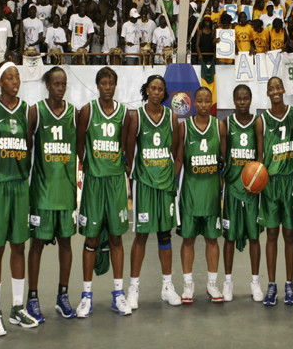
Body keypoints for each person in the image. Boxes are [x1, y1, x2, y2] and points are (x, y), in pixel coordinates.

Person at [0, 61, 39, 336]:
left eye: (17, 76)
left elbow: (29, 147)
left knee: (19, 246)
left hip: (19, 187)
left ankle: (18, 308)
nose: (15, 80)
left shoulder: (27, 111)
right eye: (9, 76)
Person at [76, 67, 132, 317]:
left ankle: (118, 294)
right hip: (94, 182)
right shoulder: (88, 111)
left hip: (116, 182)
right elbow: (80, 144)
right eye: (103, 83)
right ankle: (86, 295)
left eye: (111, 83)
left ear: (115, 86)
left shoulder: (124, 113)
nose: (107, 87)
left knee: (117, 238)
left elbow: (126, 146)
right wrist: (90, 165)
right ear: (97, 85)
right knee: (91, 239)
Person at [26, 67, 78, 323]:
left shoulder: (74, 114)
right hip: (42, 192)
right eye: (56, 83)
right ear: (48, 85)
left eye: (64, 83)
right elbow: (26, 149)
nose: (61, 87)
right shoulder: (35, 112)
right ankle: (32, 298)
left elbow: (81, 149)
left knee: (67, 244)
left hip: (66, 192)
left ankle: (63, 296)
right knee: (36, 245)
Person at [126, 75, 182, 308]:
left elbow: (177, 151)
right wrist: (135, 175)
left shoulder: (173, 117)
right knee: (141, 234)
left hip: (165, 183)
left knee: (165, 235)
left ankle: (167, 286)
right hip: (145, 184)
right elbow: (128, 150)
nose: (157, 92)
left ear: (164, 92)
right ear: (146, 90)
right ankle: (133, 287)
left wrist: (172, 173)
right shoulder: (136, 117)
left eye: (161, 89)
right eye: (153, 88)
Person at [176, 87, 226, 303]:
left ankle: (212, 284)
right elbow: (178, 158)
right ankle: (188, 285)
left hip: (212, 195)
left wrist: (223, 183)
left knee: (212, 240)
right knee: (187, 239)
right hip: (189, 194)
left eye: (208, 101)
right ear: (194, 103)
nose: (204, 104)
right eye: (200, 101)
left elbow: (224, 159)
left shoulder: (219, 126)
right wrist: (172, 183)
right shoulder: (184, 127)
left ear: (211, 103)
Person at [255, 76, 293, 306]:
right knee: (271, 234)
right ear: (268, 93)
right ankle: (271, 285)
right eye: (271, 88)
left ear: (284, 89)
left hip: (290, 181)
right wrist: (256, 181)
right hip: (270, 184)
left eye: (278, 87)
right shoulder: (261, 121)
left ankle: (289, 285)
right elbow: (260, 157)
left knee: (289, 235)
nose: (275, 91)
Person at [222, 85, 263, 302]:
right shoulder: (226, 124)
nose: (242, 102)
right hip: (233, 189)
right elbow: (222, 156)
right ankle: (228, 282)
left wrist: (257, 180)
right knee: (229, 238)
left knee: (255, 237)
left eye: (246, 98)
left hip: (252, 191)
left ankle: (255, 282)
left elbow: (260, 154)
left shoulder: (257, 122)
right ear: (234, 100)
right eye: (239, 99)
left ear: (251, 99)